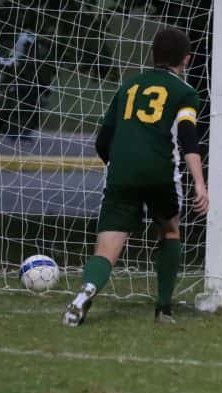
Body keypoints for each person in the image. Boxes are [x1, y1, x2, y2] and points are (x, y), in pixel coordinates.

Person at [63, 28, 209, 326]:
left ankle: (85, 292)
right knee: (169, 231)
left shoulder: (128, 87)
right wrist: (200, 183)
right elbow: (188, 139)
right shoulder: (185, 93)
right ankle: (164, 310)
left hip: (121, 173)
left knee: (107, 248)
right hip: (160, 173)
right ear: (187, 59)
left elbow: (102, 143)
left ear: (152, 55)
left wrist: (121, 167)